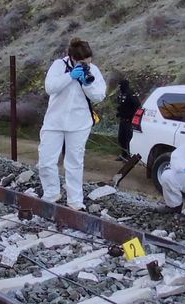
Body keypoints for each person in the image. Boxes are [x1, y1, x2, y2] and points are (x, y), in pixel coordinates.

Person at [38, 37, 106, 210]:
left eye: (88, 61)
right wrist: (70, 76)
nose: (86, 64)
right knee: (46, 160)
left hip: (79, 123)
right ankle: (52, 192)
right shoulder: (58, 66)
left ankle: (75, 200)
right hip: (54, 121)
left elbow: (99, 96)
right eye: (82, 62)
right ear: (72, 59)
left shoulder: (93, 70)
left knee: (74, 162)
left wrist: (86, 83)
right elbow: (50, 87)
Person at [115, 79, 140, 162]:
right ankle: (123, 155)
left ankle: (129, 156)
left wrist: (130, 114)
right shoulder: (122, 94)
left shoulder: (130, 93)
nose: (119, 87)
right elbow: (121, 105)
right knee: (121, 138)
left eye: (120, 85)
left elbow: (137, 105)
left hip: (129, 121)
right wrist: (119, 112)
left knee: (128, 139)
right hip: (122, 120)